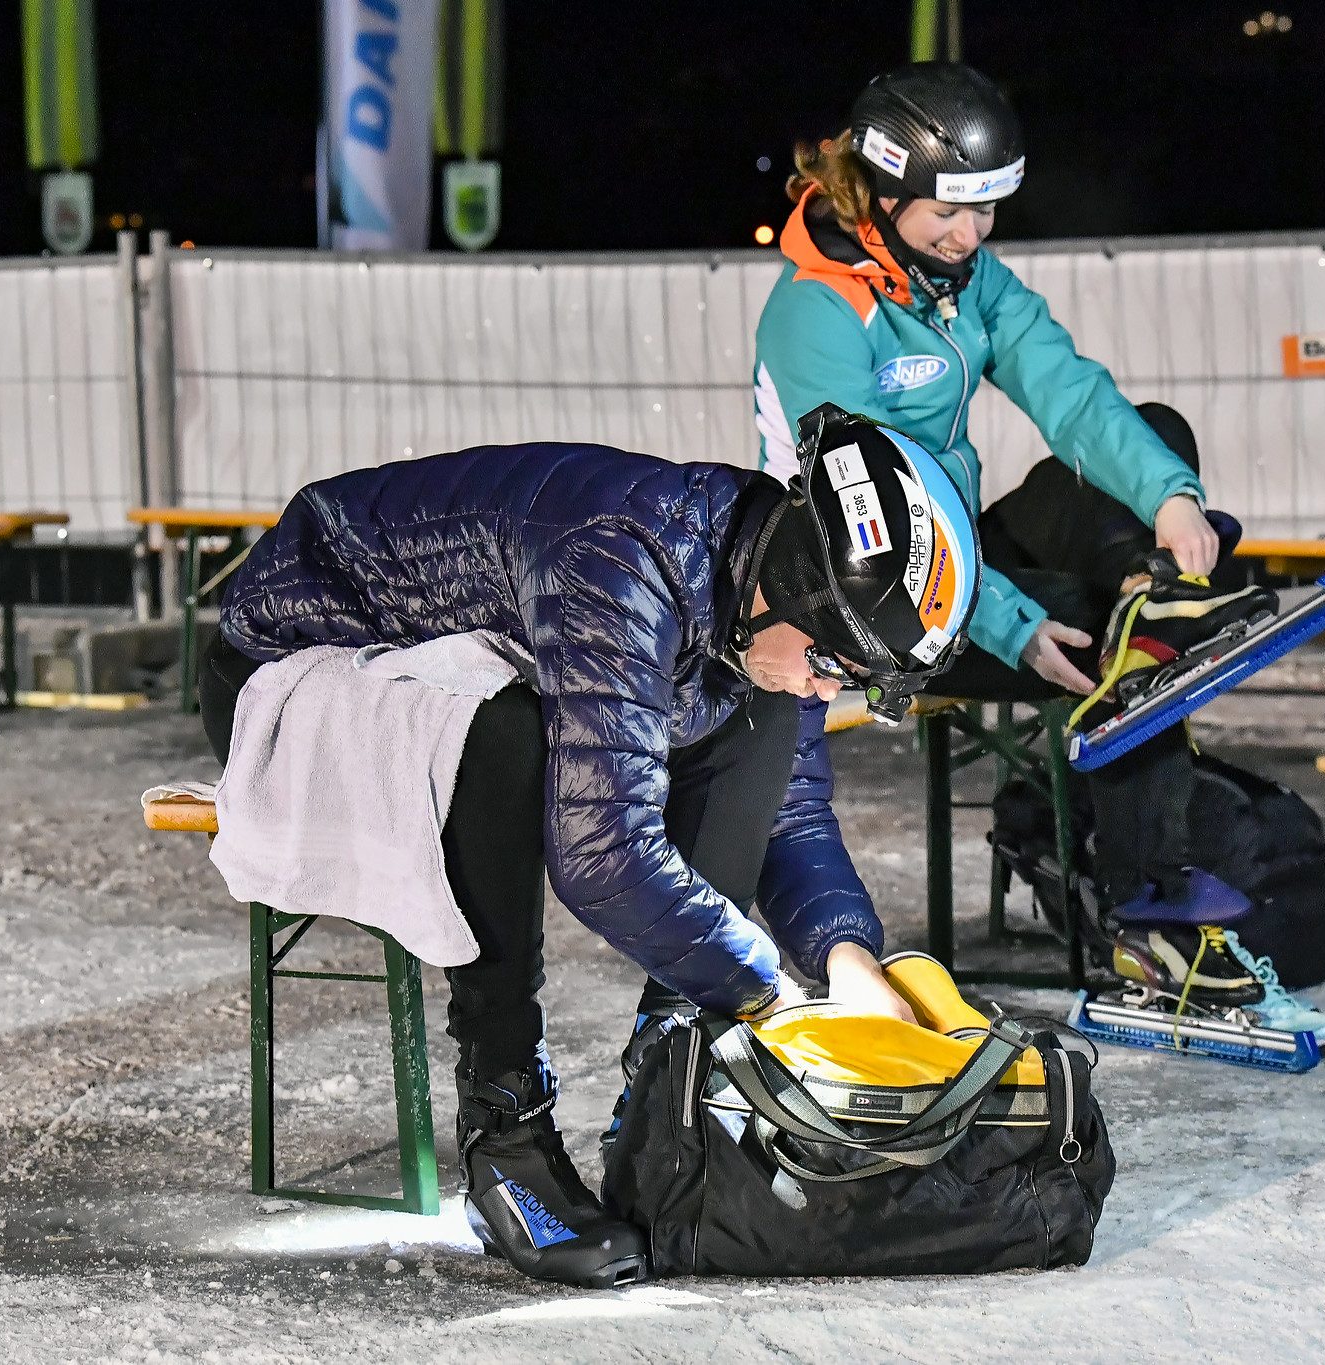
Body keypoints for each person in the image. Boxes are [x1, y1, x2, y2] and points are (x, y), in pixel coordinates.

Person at [201, 405, 982, 1289]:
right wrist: (768, 990)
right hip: (288, 658)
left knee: (757, 712)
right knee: (501, 734)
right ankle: (505, 1130)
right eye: (832, 664)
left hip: (434, 659)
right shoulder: (622, 560)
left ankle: (667, 1093)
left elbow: (791, 812)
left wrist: (848, 962)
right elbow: (600, 851)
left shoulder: (759, 591)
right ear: (797, 589)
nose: (825, 686)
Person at [753, 61, 1275, 942]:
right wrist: (1014, 624)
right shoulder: (817, 315)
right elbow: (879, 516)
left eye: (985, 208)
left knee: (1155, 435)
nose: (971, 233)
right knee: (1078, 619)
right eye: (949, 211)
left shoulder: (964, 279)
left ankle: (1157, 614)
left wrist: (1172, 502)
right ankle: (1143, 895)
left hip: (958, 548)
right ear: (883, 194)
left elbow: (1067, 393)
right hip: (871, 593)